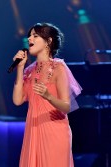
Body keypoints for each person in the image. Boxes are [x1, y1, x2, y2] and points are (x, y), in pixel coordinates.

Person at [12, 23, 82, 167]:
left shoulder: (59, 67)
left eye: (35, 36)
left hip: (55, 131)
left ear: (48, 41)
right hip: (34, 130)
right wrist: (20, 68)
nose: (29, 39)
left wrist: (48, 96)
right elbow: (17, 100)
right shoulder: (29, 71)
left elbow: (66, 107)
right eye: (29, 36)